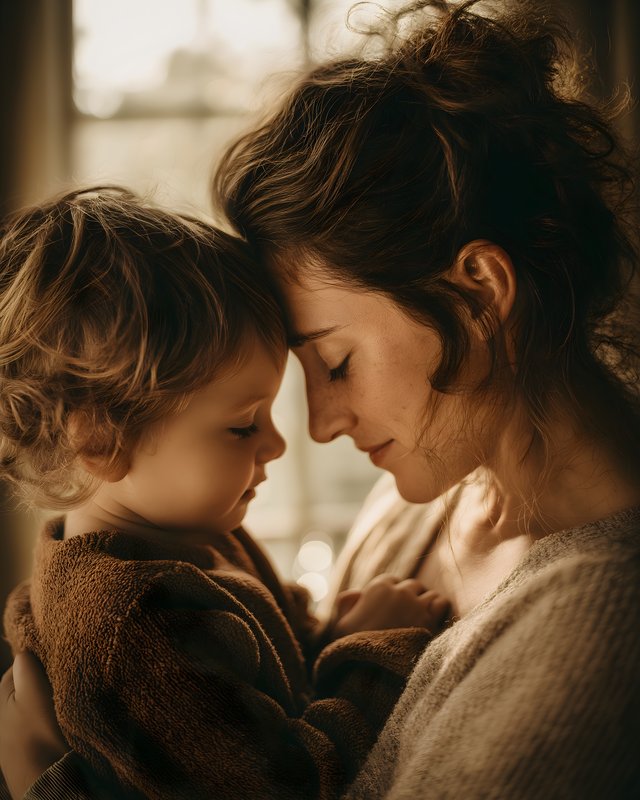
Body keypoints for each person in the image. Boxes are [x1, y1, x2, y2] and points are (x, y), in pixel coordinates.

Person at [2, 0, 640, 796]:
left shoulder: (606, 625)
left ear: (479, 294)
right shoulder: (413, 506)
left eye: (335, 363)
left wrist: (42, 785)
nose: (320, 425)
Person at [0, 187, 450, 800]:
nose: (277, 445)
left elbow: (265, 687)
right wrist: (368, 654)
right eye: (243, 425)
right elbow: (293, 785)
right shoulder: (129, 628)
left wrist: (324, 636)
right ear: (103, 439)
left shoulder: (191, 538)